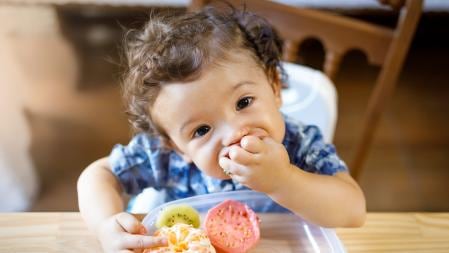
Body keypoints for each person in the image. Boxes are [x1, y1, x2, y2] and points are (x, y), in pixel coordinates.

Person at [77, 5, 366, 253]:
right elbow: (99, 175)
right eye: (201, 130)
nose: (234, 133)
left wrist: (284, 180)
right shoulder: (165, 157)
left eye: (244, 102)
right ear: (175, 146)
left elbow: (353, 210)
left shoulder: (301, 144)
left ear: (275, 87)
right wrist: (106, 225)